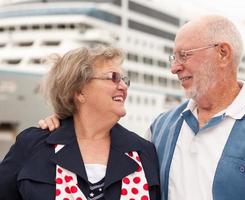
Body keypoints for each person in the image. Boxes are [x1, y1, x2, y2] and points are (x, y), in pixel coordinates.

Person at [38, 15, 245, 200]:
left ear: (223, 54)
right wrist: (67, 122)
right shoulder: (161, 126)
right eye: (173, 57)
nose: (174, 67)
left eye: (184, 55)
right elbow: (110, 159)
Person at [0, 45, 160, 200]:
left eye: (124, 80)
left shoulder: (144, 151)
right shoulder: (33, 145)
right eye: (114, 78)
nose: (124, 86)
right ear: (79, 91)